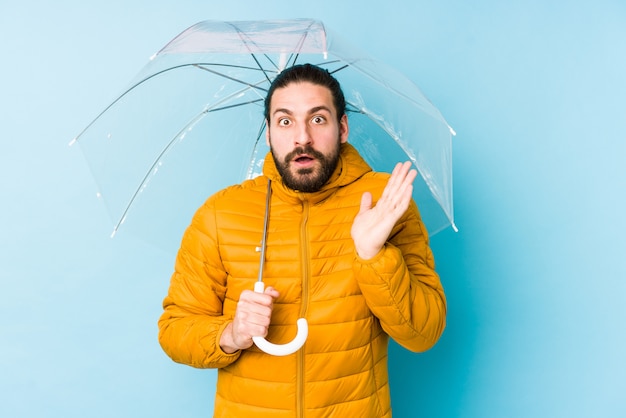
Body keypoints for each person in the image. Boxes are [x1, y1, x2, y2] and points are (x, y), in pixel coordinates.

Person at [158, 63, 446, 417]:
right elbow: (174, 331)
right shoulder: (222, 212)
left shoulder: (385, 202)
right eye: (285, 121)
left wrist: (374, 257)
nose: (302, 138)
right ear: (268, 133)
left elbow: (424, 332)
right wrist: (231, 333)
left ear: (342, 128)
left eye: (318, 119)